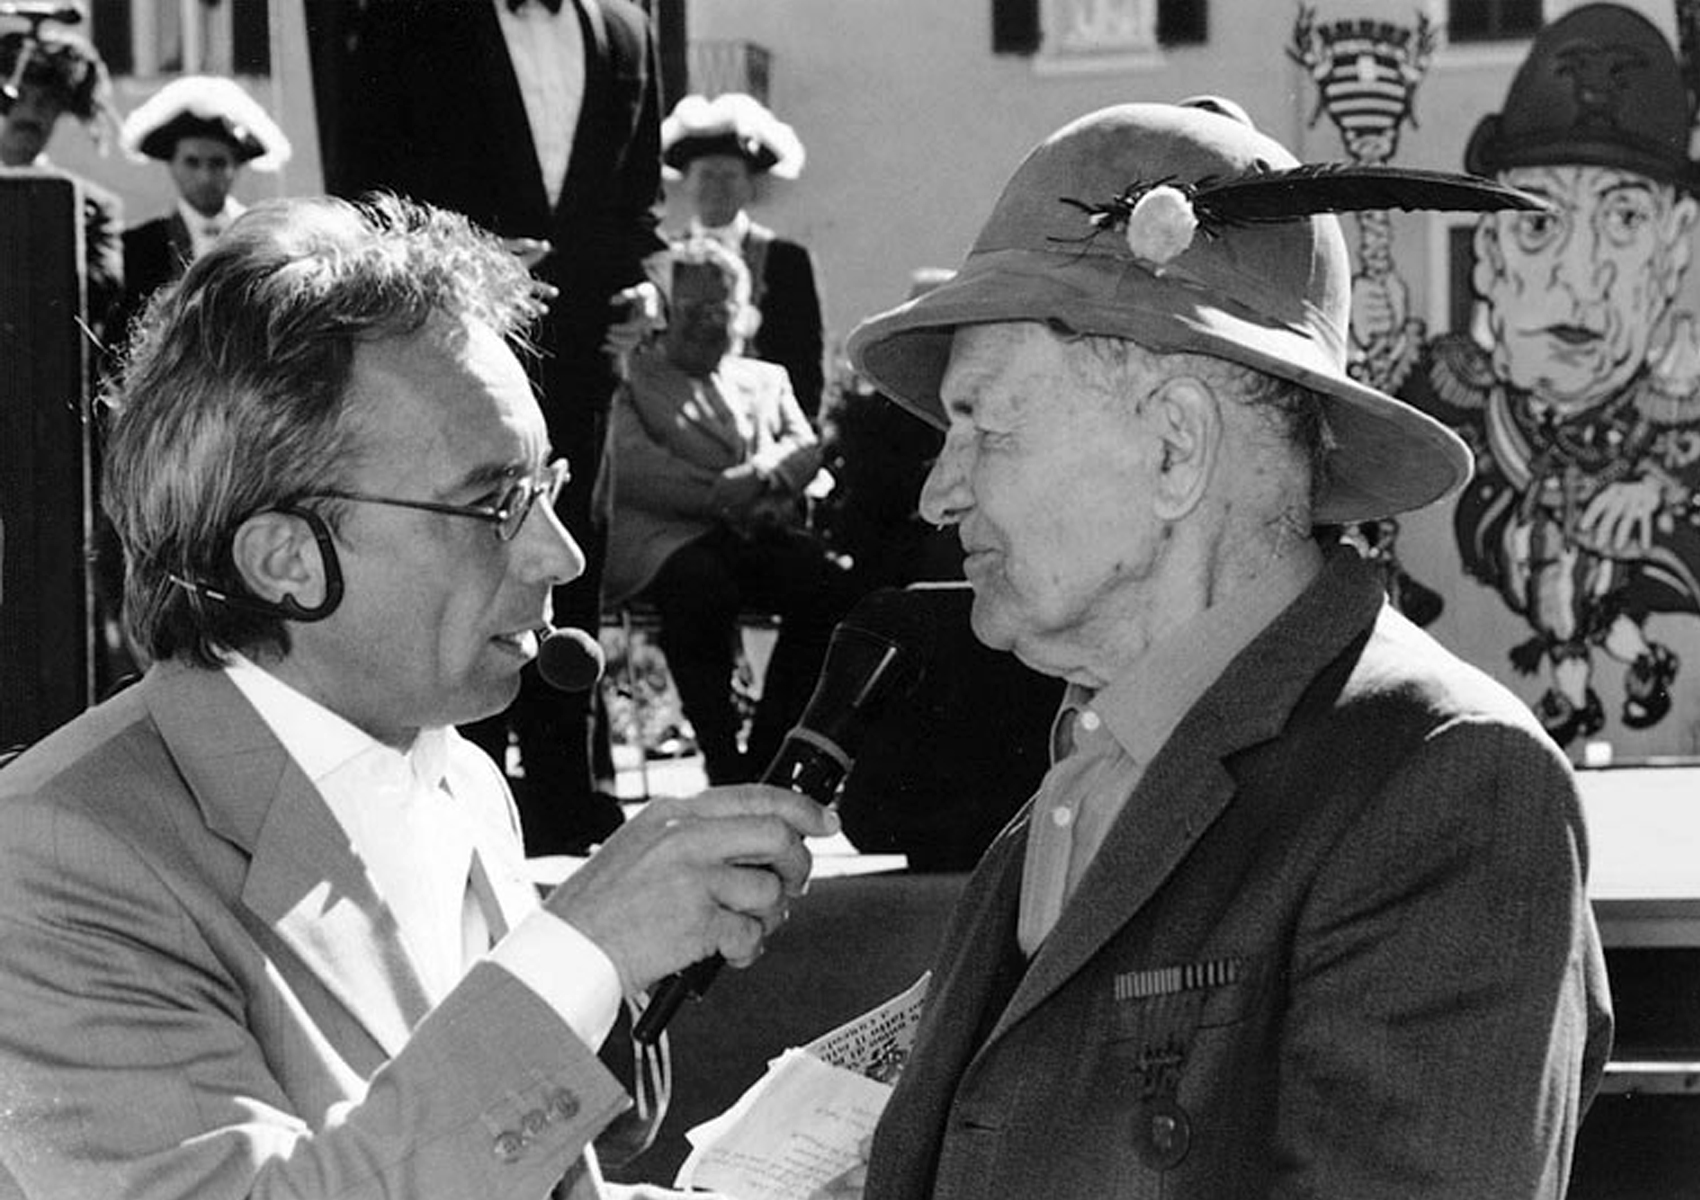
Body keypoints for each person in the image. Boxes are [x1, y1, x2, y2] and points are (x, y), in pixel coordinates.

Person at [834, 99, 1611, 1197]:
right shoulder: (1086, 772)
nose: (937, 491)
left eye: (986, 426)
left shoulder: (1448, 788)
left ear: (1174, 447)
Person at [0, 193, 836, 1200]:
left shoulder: (458, 777)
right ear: (286, 559)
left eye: (546, 488)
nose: (559, 554)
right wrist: (584, 949)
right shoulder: (50, 861)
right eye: (494, 503)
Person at [338, 0, 665, 854]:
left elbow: (638, 207)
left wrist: (647, 293)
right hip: (449, 355)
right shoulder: (410, 20)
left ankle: (566, 800)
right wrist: (464, 263)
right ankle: (449, 799)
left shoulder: (627, 29)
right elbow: (362, 193)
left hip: (588, 356)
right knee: (457, 557)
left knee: (568, 558)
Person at [1357, 2, 1700, 751]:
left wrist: (1654, 490)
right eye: (1539, 223)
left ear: (1675, 248)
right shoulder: (1444, 389)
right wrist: (1365, 342)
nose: (1579, 278)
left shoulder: (1680, 415)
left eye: (1624, 220)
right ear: (1489, 253)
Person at [605, 236, 854, 785]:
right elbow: (637, 466)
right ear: (666, 312)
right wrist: (725, 492)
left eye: (719, 310)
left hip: (754, 533)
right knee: (701, 587)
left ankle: (768, 752)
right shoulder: (632, 375)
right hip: (668, 540)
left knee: (831, 586)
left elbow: (805, 446)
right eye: (691, 309)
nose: (705, 323)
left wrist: (760, 476)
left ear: (741, 314)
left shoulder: (766, 378)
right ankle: (722, 758)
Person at [663, 92, 827, 420]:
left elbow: (806, 356)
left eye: (729, 176)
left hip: (762, 421)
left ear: (749, 185)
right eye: (706, 175)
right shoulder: (662, 257)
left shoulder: (787, 261)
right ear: (687, 182)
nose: (717, 186)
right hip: (673, 421)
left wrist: (802, 429)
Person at [113, 74, 292, 337]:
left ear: (236, 166)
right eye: (192, 162)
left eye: (218, 163)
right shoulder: (140, 245)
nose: (205, 177)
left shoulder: (263, 238)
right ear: (173, 166)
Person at [0, 24, 121, 351]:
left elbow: (99, 294)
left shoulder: (90, 206)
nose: (30, 113)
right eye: (18, 98)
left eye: (45, 102)